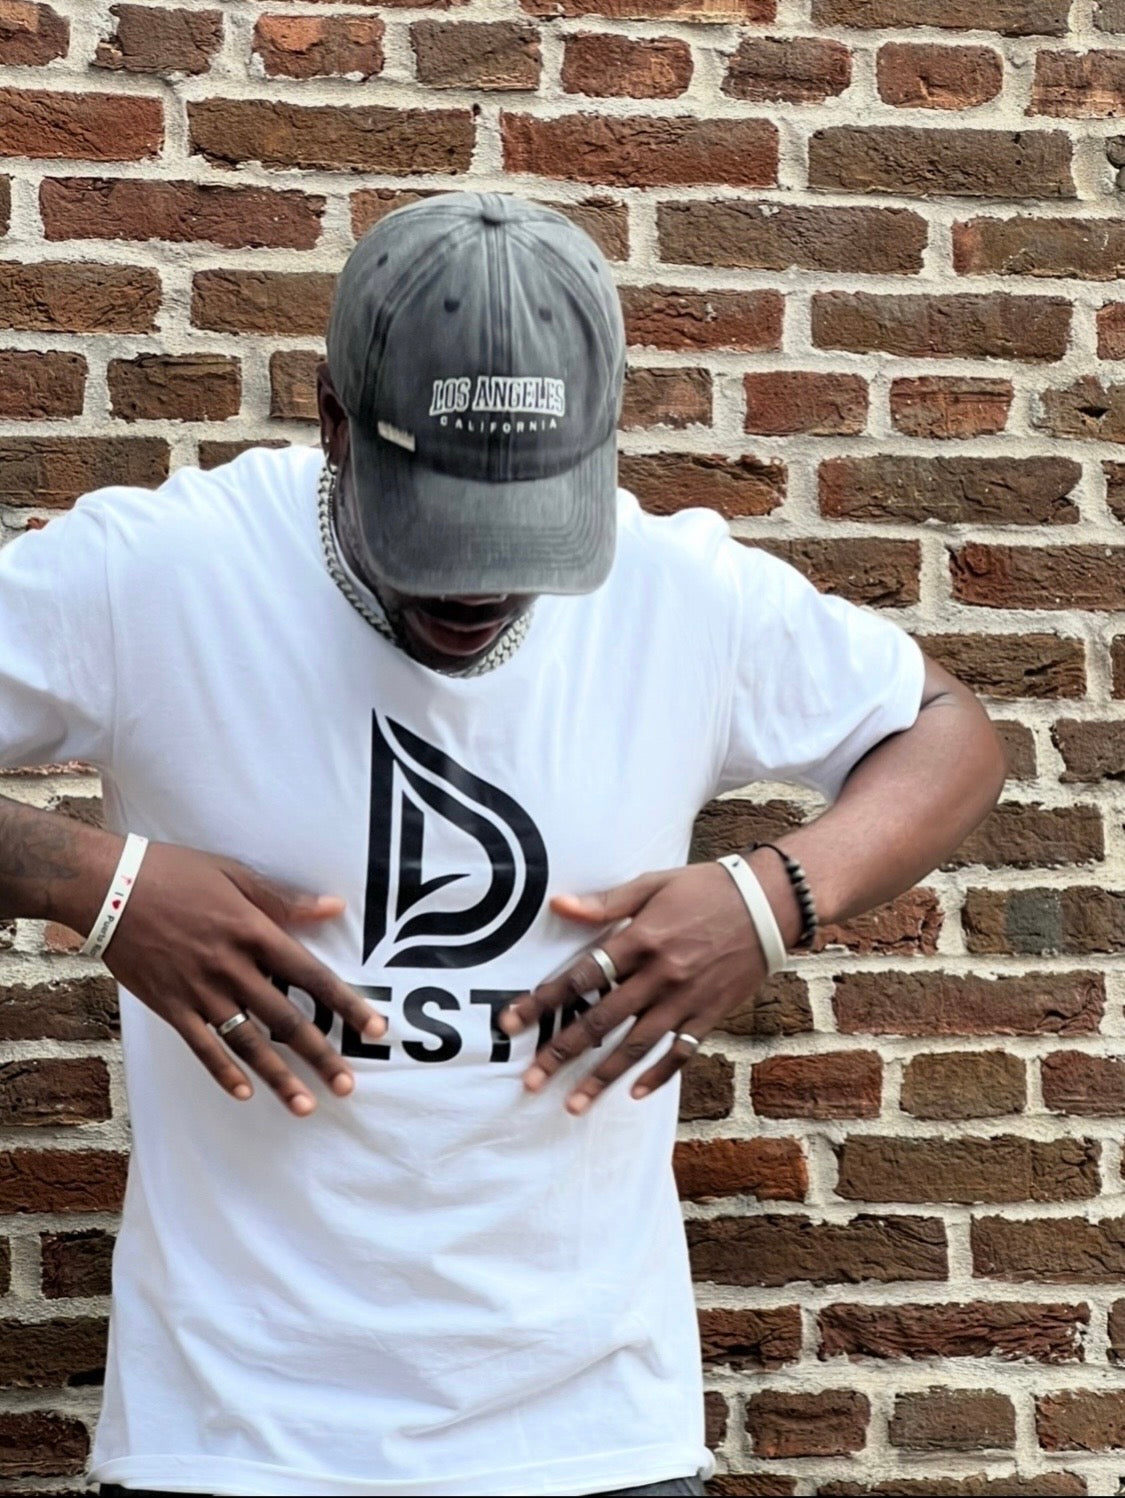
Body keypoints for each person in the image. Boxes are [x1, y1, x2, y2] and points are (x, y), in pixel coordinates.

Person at [0, 192, 1005, 1498]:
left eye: (523, 528)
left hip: (596, 1436)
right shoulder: (161, 574)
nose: (477, 587)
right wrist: (94, 882)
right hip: (236, 1439)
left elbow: (947, 733)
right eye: (438, 529)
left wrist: (769, 900)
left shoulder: (680, 591)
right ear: (332, 419)